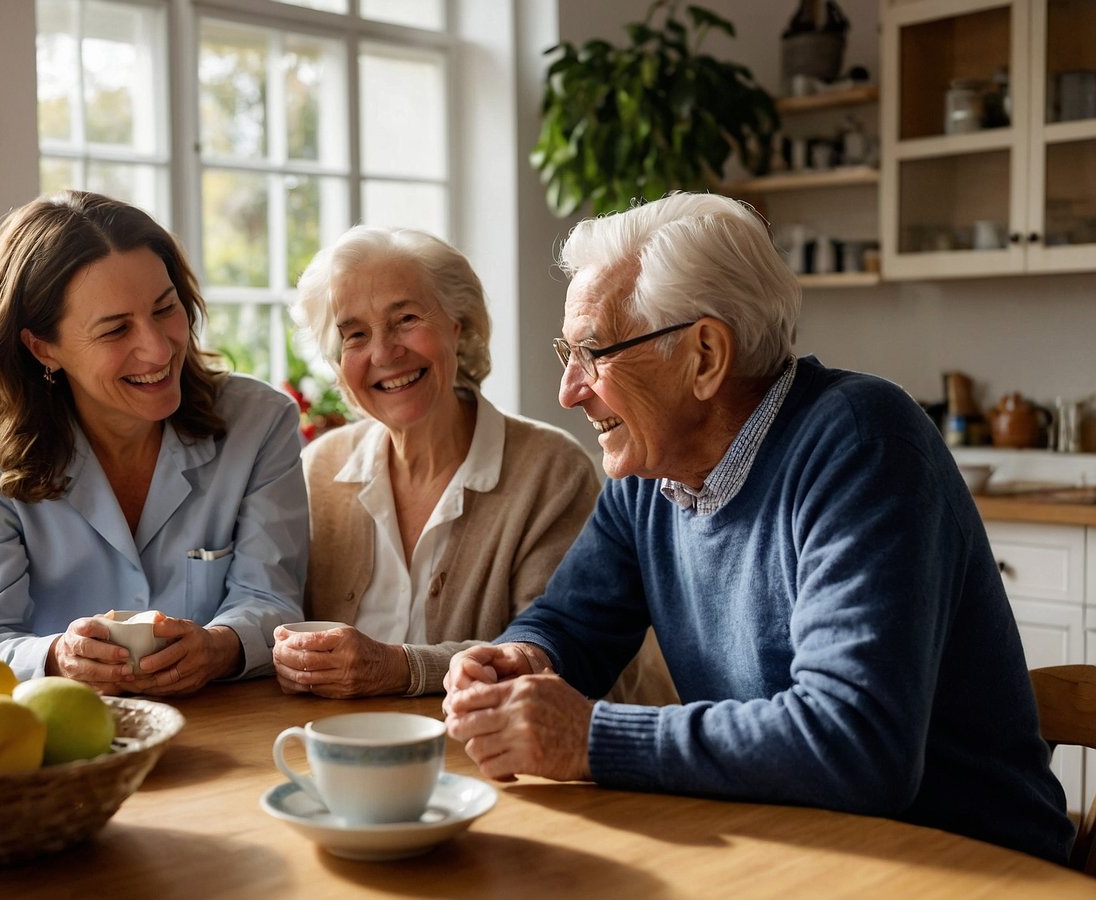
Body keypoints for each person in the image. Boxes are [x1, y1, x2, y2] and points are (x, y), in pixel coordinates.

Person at [442, 192, 1074, 865]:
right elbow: (572, 624)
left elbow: (854, 746)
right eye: (568, 352)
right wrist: (523, 658)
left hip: (970, 868)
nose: (570, 389)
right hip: (799, 846)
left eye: (595, 352)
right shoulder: (654, 474)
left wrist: (591, 738)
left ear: (706, 355)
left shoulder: (862, 441)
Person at [274, 224, 676, 702]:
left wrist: (398, 668)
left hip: (497, 761)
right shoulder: (318, 469)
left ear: (457, 323)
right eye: (355, 335)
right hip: (345, 752)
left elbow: (561, 660)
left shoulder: (550, 470)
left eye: (405, 319)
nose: (384, 352)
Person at [0, 190, 308, 696]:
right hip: (62, 742)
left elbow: (273, 600)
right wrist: (56, 658)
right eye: (115, 330)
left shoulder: (260, 422)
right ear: (43, 347)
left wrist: (219, 645)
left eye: (165, 308)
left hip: (231, 730)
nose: (157, 349)